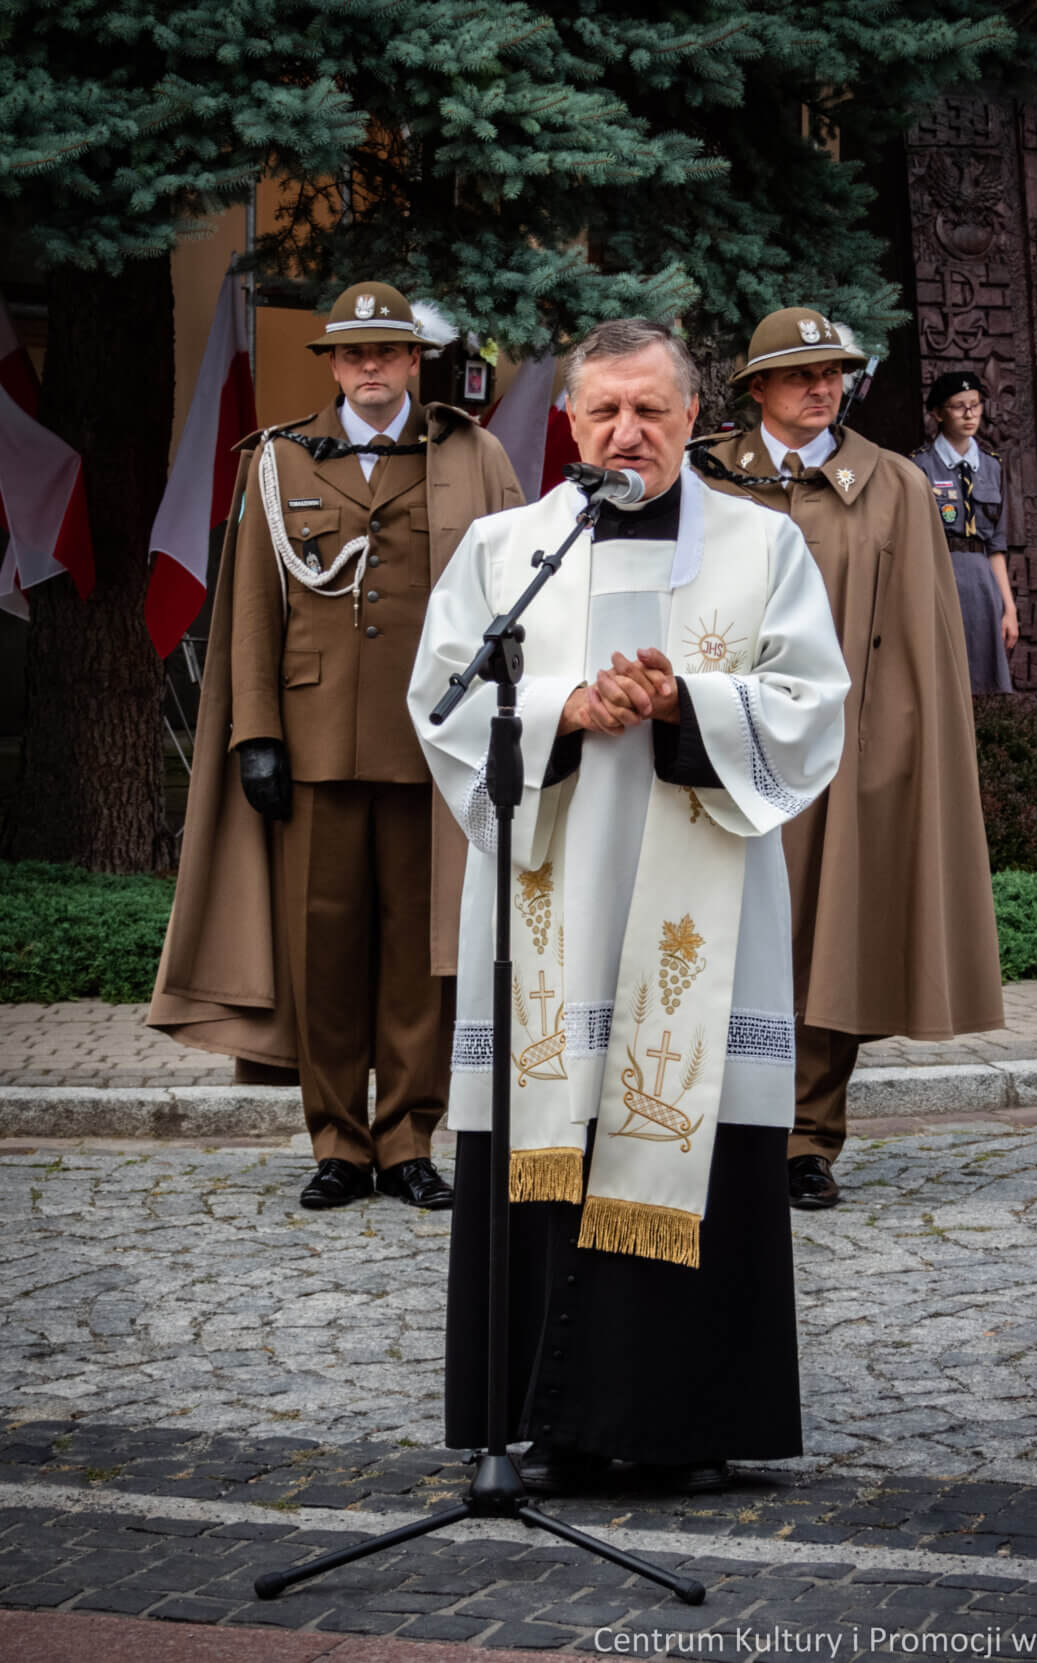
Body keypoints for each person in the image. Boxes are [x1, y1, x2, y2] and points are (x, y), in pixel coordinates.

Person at [407, 318, 849, 1494]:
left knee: (685, 1125)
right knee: (546, 1138)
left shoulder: (760, 546)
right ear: (568, 420)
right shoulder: (510, 550)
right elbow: (443, 696)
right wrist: (564, 709)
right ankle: (540, 1423)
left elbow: (811, 704)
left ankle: (681, 1426)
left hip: (695, 908)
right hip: (553, 896)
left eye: (650, 410)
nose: (625, 432)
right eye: (602, 410)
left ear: (690, 416)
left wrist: (685, 699)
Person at [148, 282, 524, 1210]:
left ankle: (407, 1138)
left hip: (431, 745)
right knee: (323, 952)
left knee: (416, 952)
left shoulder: (469, 455)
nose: (369, 368)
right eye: (351, 355)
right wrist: (256, 734)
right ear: (331, 364)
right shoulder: (278, 461)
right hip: (312, 748)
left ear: (414, 360)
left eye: (386, 353)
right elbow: (250, 610)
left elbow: (518, 596)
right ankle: (337, 1142)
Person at [689, 307, 1004, 1211]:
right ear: (756, 390)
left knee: (834, 942)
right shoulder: (707, 476)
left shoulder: (895, 482)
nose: (822, 387)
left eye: (833, 372)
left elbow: (922, 636)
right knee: (724, 939)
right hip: (725, 742)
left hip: (844, 749)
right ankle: (712, 1127)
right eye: (799, 374)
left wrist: (900, 751)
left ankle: (806, 1138)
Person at [910, 370, 1017, 693]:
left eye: (975, 405)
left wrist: (1008, 608)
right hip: (938, 574)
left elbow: (996, 546)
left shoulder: (992, 466)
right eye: (959, 406)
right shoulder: (918, 466)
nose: (970, 414)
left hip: (982, 580)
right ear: (938, 413)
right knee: (940, 678)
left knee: (980, 683)